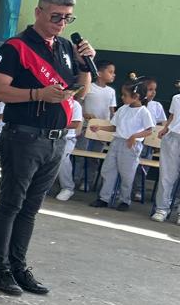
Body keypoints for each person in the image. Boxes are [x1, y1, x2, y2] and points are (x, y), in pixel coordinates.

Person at [0, 0, 93, 296]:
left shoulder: (65, 48)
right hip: (24, 137)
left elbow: (81, 92)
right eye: (56, 16)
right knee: (11, 204)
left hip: (56, 140)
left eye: (67, 18)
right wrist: (37, 94)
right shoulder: (16, 47)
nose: (61, 23)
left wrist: (85, 65)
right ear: (38, 11)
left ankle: (19, 267)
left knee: (31, 208)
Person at [90, 81, 154, 211]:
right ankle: (104, 198)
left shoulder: (143, 112)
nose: (122, 97)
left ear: (136, 96)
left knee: (127, 175)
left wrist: (134, 136)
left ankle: (125, 200)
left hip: (131, 146)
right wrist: (100, 127)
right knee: (108, 170)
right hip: (116, 142)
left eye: (125, 95)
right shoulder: (123, 109)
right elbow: (114, 127)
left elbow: (149, 130)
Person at [151, 84, 180, 223]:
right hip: (173, 138)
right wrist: (166, 128)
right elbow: (172, 117)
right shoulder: (176, 98)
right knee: (167, 175)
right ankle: (162, 209)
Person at [54, 96, 83, 201]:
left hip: (67, 138)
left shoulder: (75, 104)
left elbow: (75, 124)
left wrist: (55, 123)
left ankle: (68, 187)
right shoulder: (53, 101)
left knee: (62, 159)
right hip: (49, 136)